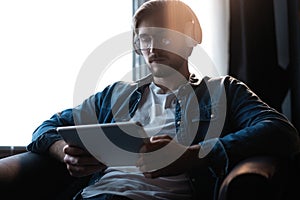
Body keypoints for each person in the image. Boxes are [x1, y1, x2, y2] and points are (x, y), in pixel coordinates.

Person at [27, 0, 300, 199]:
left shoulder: (223, 91)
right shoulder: (115, 95)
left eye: (164, 38)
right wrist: (65, 151)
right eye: (144, 40)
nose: (152, 49)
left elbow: (282, 132)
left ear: (191, 39)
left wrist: (193, 155)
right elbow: (45, 129)